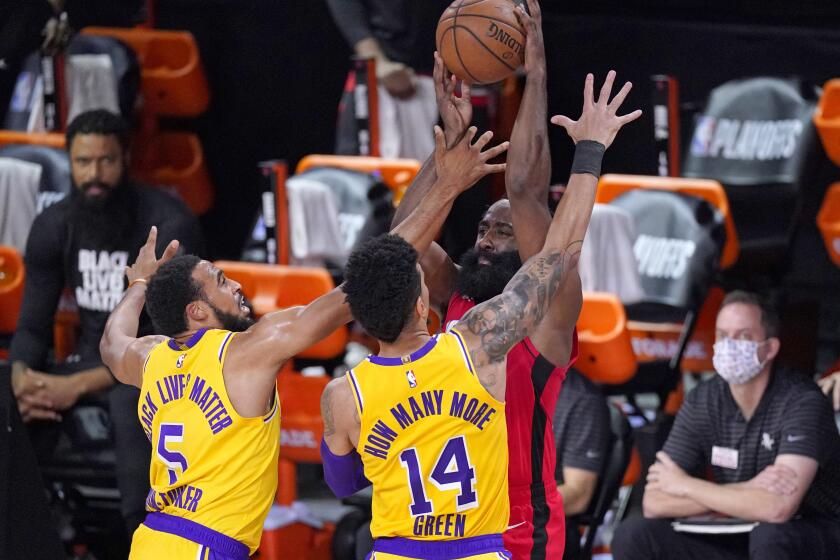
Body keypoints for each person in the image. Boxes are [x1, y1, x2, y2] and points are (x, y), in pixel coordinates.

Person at [98, 121, 508, 559]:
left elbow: (111, 342)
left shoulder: (149, 357)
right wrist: (447, 189)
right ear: (197, 311)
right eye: (220, 281)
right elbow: (362, 284)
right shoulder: (245, 351)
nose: (235, 284)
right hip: (204, 547)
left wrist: (139, 283)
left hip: (151, 541)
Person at [322, 67, 640, 560]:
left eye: (502, 233)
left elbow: (413, 239)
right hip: (481, 534)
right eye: (483, 230)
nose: (486, 241)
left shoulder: (348, 391)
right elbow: (557, 252)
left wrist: (453, 158)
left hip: (500, 523)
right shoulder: (478, 334)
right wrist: (590, 151)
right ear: (422, 303)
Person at [9, 108, 204, 534]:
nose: (94, 174)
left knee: (129, 402)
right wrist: (23, 379)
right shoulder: (55, 224)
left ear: (126, 159)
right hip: (91, 361)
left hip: (156, 369)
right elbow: (31, 327)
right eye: (83, 162)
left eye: (106, 161)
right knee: (9, 399)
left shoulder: (167, 225)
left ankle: (143, 534)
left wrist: (72, 387)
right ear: (70, 163)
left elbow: (171, 340)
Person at [612, 290, 840, 560]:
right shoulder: (703, 399)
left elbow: (777, 508)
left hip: (811, 532)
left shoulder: (801, 401)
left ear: (769, 348)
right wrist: (748, 490)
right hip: (734, 528)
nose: (730, 346)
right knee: (634, 534)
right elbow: (654, 502)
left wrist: (687, 486)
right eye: (722, 336)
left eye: (743, 336)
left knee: (770, 536)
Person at [552, 368, 611, 559]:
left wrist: (505, 507)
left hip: (544, 531)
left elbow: (578, 496)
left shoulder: (581, 399)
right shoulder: (497, 385)